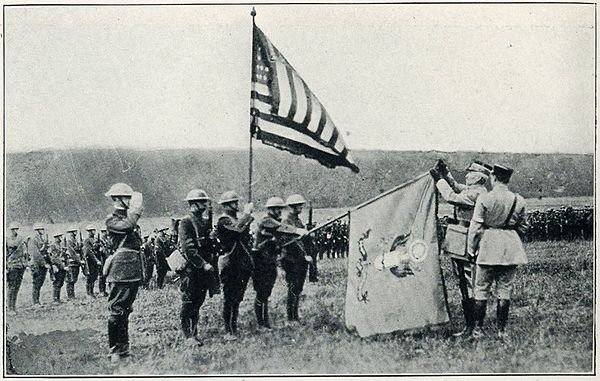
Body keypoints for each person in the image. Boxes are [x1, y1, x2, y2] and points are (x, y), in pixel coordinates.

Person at [430, 159, 490, 337]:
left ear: (479, 177)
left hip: (465, 240)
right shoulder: (476, 190)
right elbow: (456, 186)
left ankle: (472, 326)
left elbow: (451, 197)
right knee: (465, 282)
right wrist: (446, 173)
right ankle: (471, 325)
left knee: (467, 283)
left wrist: (439, 179)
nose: (467, 175)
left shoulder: (475, 194)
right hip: (462, 238)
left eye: (470, 173)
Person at [467, 164, 528, 340]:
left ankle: (477, 330)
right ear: (507, 179)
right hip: (510, 249)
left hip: (488, 248)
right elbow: (523, 226)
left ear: (493, 177)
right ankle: (502, 331)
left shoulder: (485, 199)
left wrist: (472, 249)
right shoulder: (519, 200)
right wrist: (510, 235)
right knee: (505, 290)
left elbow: (476, 227)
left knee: (481, 290)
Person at [103, 182, 144, 362]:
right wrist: (135, 210)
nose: (131, 201)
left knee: (125, 311)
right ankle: (114, 350)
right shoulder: (112, 220)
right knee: (117, 310)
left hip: (132, 269)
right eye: (127, 197)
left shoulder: (128, 218)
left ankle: (124, 349)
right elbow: (126, 227)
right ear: (118, 199)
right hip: (120, 270)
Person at [252, 197, 307, 329]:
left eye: (280, 209)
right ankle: (261, 324)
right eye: (277, 209)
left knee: (266, 292)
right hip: (260, 262)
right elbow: (280, 227)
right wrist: (297, 231)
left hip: (269, 261)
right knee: (262, 293)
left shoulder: (274, 221)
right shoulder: (267, 220)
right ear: (270, 209)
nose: (279, 211)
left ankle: (265, 323)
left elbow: (282, 237)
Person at [177, 189, 216, 345]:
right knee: (189, 302)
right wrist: (202, 263)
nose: (205, 205)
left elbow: (206, 244)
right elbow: (188, 248)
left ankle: (194, 333)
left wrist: (211, 238)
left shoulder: (203, 221)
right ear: (194, 203)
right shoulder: (186, 222)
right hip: (192, 269)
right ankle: (188, 336)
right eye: (203, 202)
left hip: (203, 270)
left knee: (198, 302)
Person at [215, 190, 254, 341]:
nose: (237, 205)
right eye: (234, 202)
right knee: (229, 298)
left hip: (241, 264)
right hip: (230, 264)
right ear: (226, 205)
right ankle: (228, 330)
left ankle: (233, 328)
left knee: (237, 298)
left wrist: (246, 217)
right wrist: (247, 214)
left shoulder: (235, 219)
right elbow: (238, 229)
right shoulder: (223, 220)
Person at [281, 194, 314, 323]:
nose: (301, 207)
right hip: (291, 259)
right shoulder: (287, 222)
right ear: (293, 207)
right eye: (299, 205)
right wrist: (304, 255)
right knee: (293, 287)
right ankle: (291, 317)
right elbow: (292, 242)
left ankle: (295, 315)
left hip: (299, 260)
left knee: (298, 287)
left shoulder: (297, 221)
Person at [6, 222, 27, 314]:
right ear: (10, 230)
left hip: (20, 265)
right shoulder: (6, 240)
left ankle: (13, 306)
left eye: (16, 229)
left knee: (17, 286)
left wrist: (25, 263)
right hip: (12, 265)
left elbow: (25, 252)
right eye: (13, 229)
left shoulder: (21, 239)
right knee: (12, 287)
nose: (15, 231)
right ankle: (10, 308)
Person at [29, 223, 49, 306]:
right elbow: (36, 254)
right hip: (37, 265)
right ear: (37, 230)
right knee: (36, 283)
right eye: (41, 229)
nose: (43, 231)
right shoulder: (33, 240)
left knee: (40, 283)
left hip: (42, 265)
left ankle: (37, 301)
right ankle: (35, 302)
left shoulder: (41, 239)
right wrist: (44, 263)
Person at [82, 225, 102, 298]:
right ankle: (88, 293)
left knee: (94, 276)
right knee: (90, 277)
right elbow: (89, 252)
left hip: (95, 261)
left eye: (94, 230)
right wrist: (96, 260)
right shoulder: (87, 240)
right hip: (90, 261)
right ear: (89, 232)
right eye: (93, 230)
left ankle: (92, 292)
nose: (94, 232)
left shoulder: (95, 239)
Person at [48, 233, 68, 304]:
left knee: (60, 282)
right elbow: (54, 258)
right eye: (60, 236)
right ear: (56, 237)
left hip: (61, 266)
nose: (61, 238)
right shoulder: (53, 246)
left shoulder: (60, 245)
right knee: (57, 283)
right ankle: (55, 299)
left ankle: (58, 298)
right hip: (56, 266)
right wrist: (62, 266)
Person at [65, 226, 82, 300]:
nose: (76, 233)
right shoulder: (69, 241)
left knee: (74, 279)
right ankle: (70, 296)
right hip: (72, 262)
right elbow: (72, 253)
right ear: (71, 233)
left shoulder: (75, 240)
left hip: (76, 263)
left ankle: (72, 295)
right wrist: (79, 260)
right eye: (74, 231)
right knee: (70, 280)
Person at [97, 229, 110, 297]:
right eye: (104, 232)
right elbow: (102, 251)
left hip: (106, 259)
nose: (106, 233)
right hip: (102, 260)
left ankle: (104, 290)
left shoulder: (106, 240)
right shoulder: (100, 241)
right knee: (102, 276)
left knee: (105, 275)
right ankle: (101, 291)